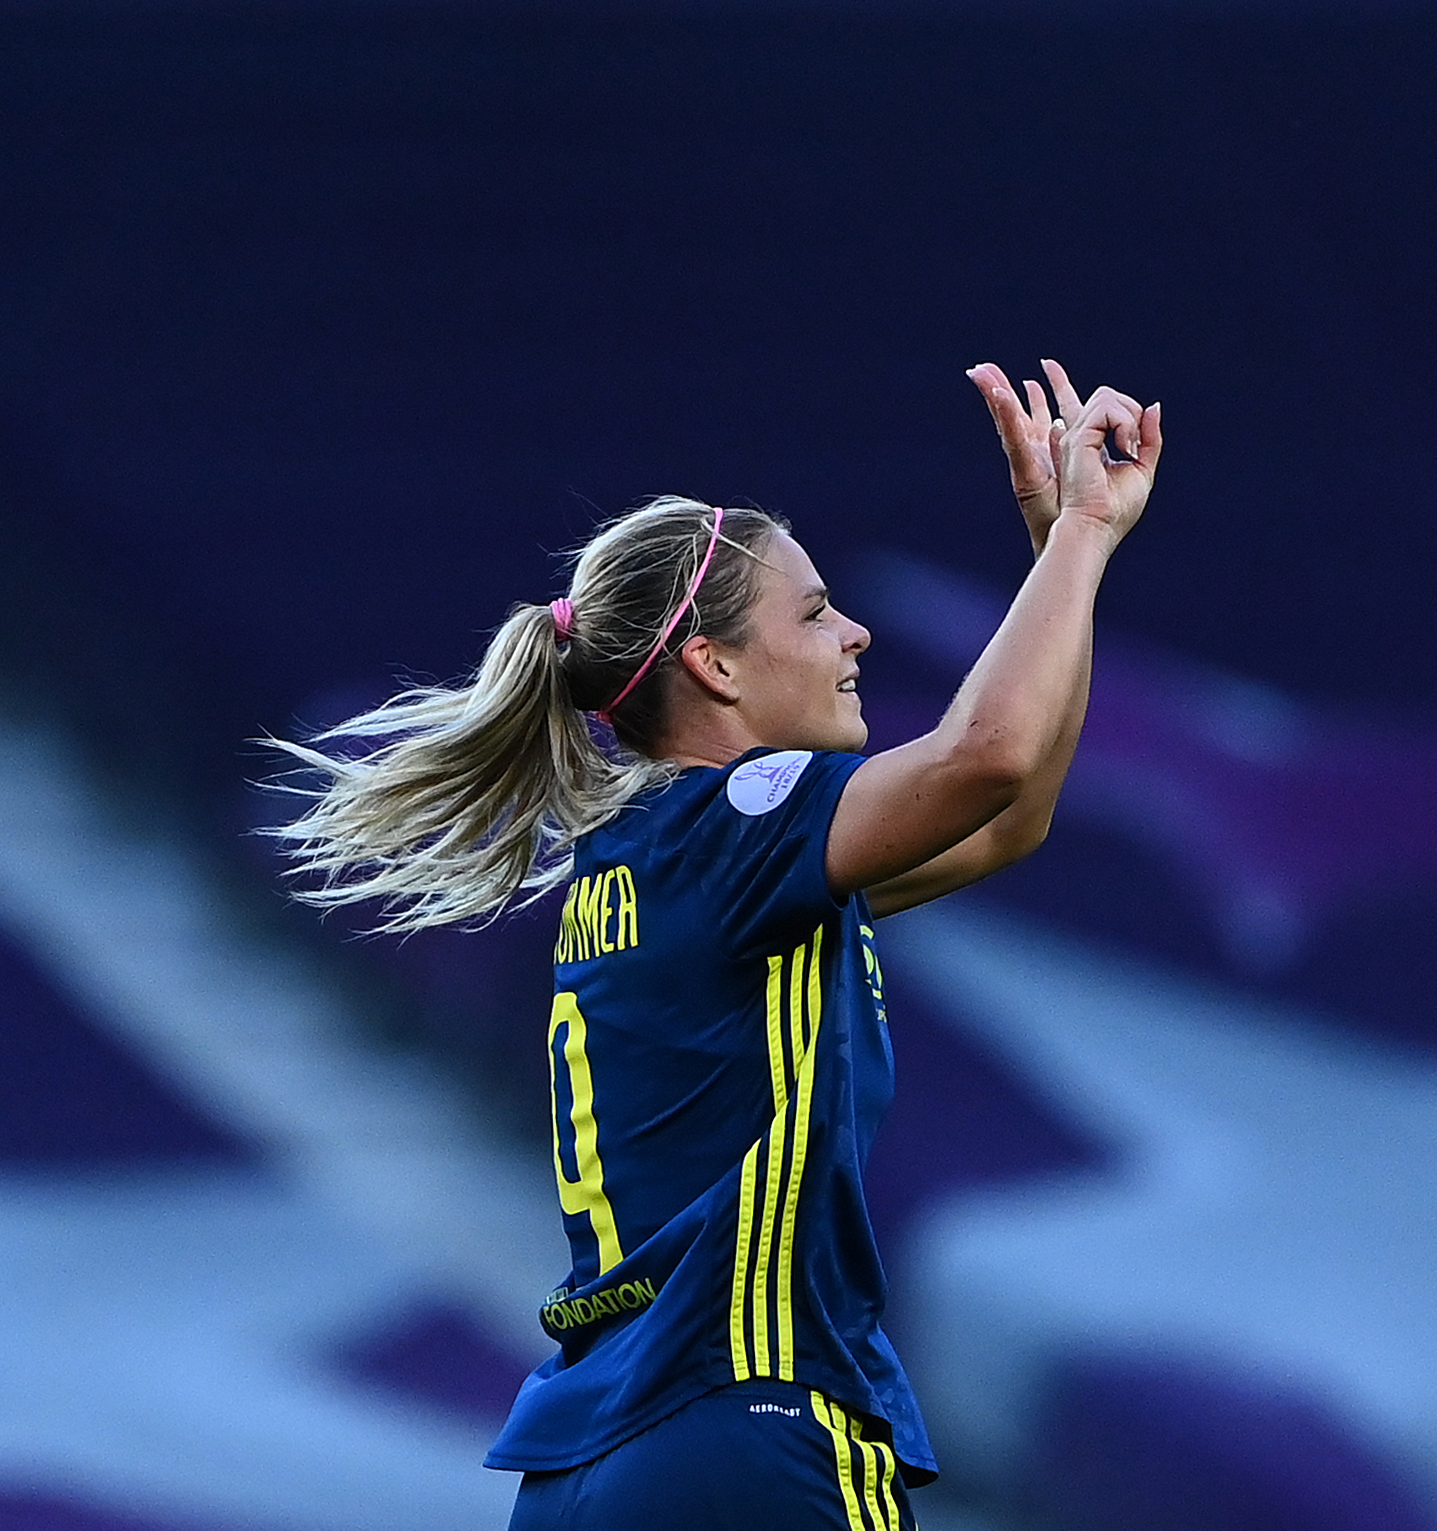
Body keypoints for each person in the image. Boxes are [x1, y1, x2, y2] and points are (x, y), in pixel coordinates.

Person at [268, 361, 1161, 1530]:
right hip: (751, 1423)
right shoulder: (743, 813)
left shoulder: (645, 860)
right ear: (715, 665)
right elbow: (980, 758)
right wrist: (1083, 535)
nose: (855, 632)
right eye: (812, 611)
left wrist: (1061, 565)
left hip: (589, 1468)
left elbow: (1009, 823)